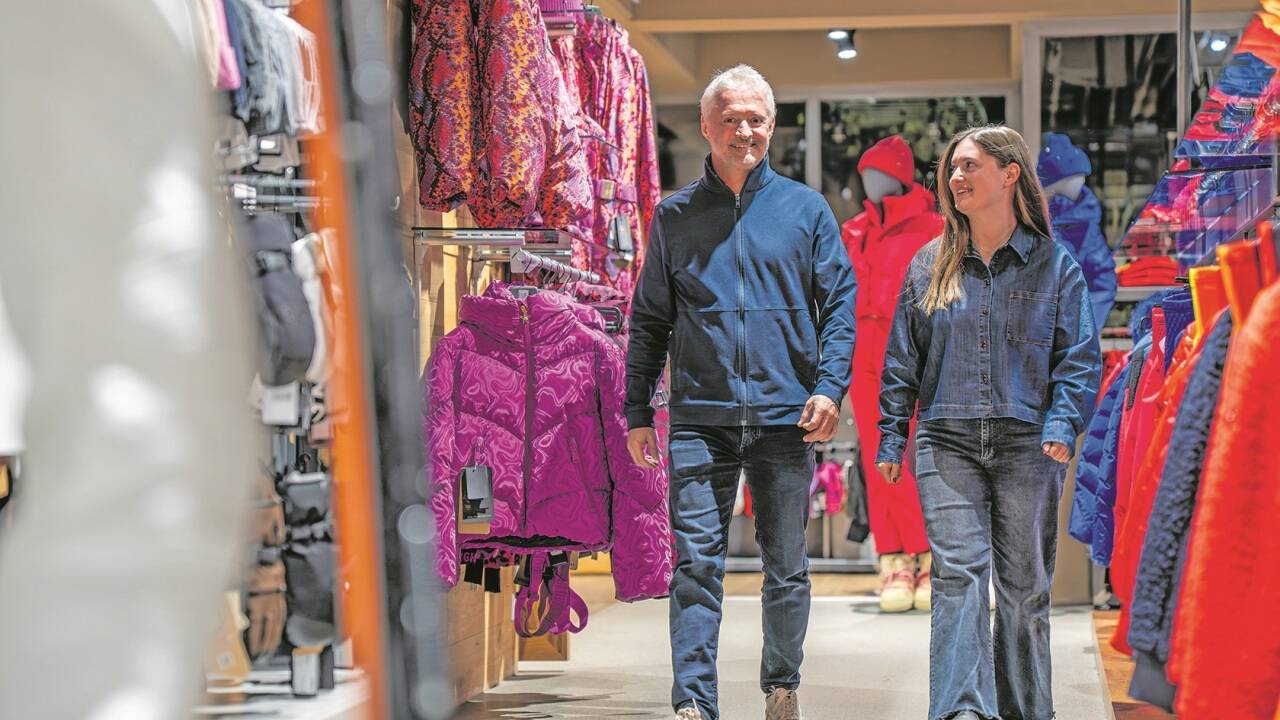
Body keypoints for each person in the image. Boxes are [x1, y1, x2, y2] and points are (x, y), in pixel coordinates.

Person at [625, 64, 857, 720]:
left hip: (788, 418)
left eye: (756, 118)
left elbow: (839, 302)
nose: (744, 130)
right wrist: (638, 409)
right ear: (706, 126)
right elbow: (650, 318)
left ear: (771, 125)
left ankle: (782, 687)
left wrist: (829, 387)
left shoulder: (805, 210)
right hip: (700, 418)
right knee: (695, 564)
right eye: (730, 118)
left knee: (786, 567)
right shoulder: (674, 217)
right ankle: (694, 703)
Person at [876, 125, 1102, 720]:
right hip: (945, 441)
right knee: (959, 577)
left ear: (1010, 174)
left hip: (1029, 444)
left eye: (969, 166)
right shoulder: (930, 264)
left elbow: (1078, 359)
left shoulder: (1056, 267)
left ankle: (1028, 710)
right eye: (951, 169)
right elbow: (903, 357)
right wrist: (892, 434)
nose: (955, 178)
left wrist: (1062, 423)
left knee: (1025, 591)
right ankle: (961, 712)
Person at [841, 134, 943, 613]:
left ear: (901, 175)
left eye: (879, 171)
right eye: (865, 171)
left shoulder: (935, 228)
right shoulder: (854, 230)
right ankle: (893, 558)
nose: (870, 179)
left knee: (920, 456)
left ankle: (929, 557)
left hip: (916, 357)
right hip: (864, 362)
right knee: (876, 460)